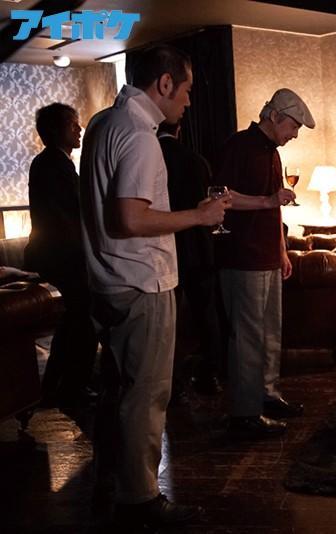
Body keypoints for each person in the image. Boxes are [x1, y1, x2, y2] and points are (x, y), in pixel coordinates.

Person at [80, 45, 229, 527]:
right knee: (146, 395)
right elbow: (130, 218)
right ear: (165, 83)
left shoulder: (103, 123)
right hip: (142, 281)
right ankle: (140, 499)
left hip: (107, 280)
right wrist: (199, 217)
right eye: (186, 89)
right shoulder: (139, 136)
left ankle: (109, 482)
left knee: (118, 391)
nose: (189, 101)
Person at [213, 88, 314, 439]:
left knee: (271, 332)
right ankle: (244, 413)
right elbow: (221, 196)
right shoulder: (238, 146)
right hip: (243, 256)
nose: (295, 134)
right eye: (293, 126)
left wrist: (281, 250)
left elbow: (274, 209)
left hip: (267, 254)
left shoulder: (273, 151)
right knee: (248, 337)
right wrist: (267, 200)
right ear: (274, 116)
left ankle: (267, 395)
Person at [24, 102, 98, 409]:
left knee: (74, 321)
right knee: (83, 320)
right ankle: (71, 386)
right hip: (63, 256)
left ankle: (57, 385)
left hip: (57, 254)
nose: (79, 128)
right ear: (56, 130)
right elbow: (71, 214)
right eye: (72, 124)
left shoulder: (51, 163)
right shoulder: (54, 165)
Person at [158, 121, 223, 396]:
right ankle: (210, 374)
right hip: (197, 246)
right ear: (179, 130)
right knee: (206, 314)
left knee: (167, 322)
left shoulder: (152, 159)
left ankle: (171, 384)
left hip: (166, 248)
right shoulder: (196, 160)